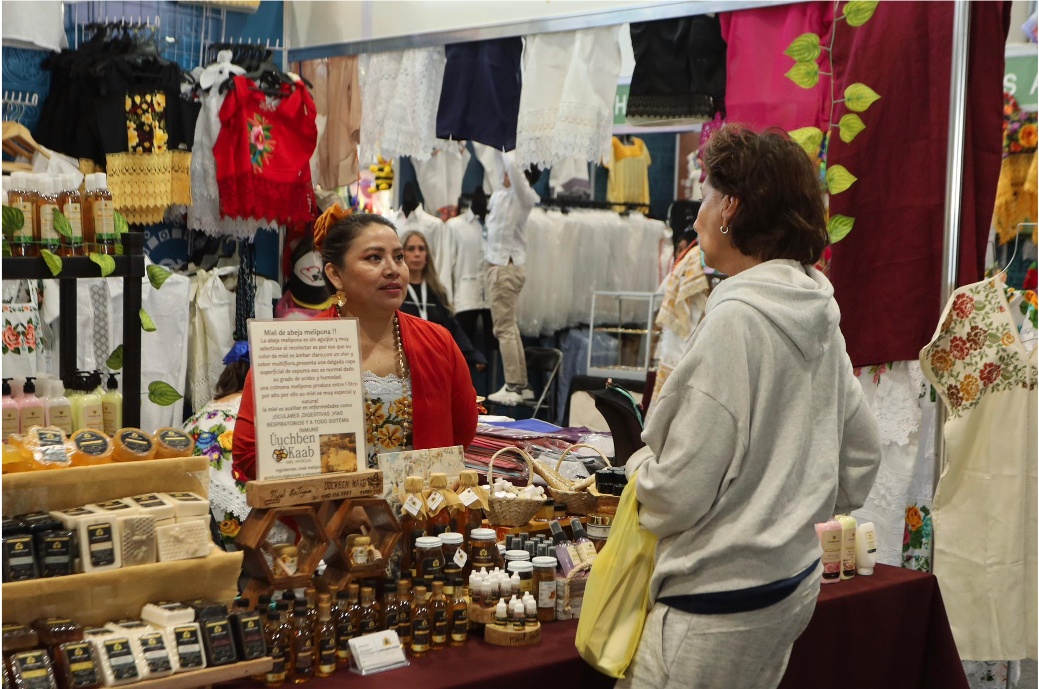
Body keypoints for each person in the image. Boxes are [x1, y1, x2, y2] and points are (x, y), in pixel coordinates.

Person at [618, 125, 881, 689]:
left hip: (714, 601)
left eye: (706, 197)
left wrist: (638, 475)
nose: (696, 218)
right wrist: (787, 511)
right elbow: (860, 456)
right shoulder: (816, 310)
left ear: (731, 207)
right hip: (788, 587)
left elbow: (679, 491)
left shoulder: (736, 320)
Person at [232, 209, 479, 477]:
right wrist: (335, 487)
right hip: (329, 503)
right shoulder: (294, 349)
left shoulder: (437, 341)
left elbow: (462, 431)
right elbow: (249, 452)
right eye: (374, 258)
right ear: (335, 274)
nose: (393, 270)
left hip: (420, 501)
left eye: (398, 257)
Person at [484, 151, 541, 405]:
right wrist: (499, 145)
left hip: (504, 270)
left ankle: (513, 385)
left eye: (509, 172)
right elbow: (502, 162)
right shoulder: (504, 194)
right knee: (510, 327)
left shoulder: (522, 195)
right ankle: (521, 385)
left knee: (504, 328)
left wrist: (509, 143)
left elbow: (512, 165)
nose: (504, 175)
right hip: (504, 269)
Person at [400, 230, 488, 371]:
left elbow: (452, 329)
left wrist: (473, 355)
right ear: (401, 254)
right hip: (406, 363)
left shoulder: (437, 291)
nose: (417, 254)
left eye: (421, 249)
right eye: (411, 249)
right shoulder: (396, 291)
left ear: (427, 255)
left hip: (436, 363)